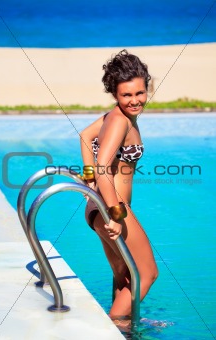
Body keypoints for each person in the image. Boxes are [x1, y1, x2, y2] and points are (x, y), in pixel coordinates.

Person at [80, 49, 158, 322]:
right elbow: (104, 167)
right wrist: (116, 214)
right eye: (127, 95)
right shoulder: (118, 121)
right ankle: (113, 328)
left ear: (147, 87)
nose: (135, 100)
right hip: (112, 210)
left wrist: (88, 175)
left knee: (123, 274)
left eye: (139, 93)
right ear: (115, 95)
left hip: (97, 207)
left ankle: (123, 324)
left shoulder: (114, 117)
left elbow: (85, 136)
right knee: (146, 274)